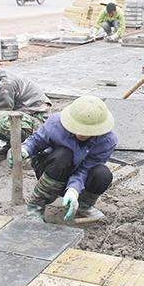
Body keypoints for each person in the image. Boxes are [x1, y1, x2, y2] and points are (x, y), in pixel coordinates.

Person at [11, 95, 118, 223]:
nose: (80, 133)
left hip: (79, 178)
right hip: (53, 168)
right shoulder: (56, 123)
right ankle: (36, 205)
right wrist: (23, 150)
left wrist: (73, 190)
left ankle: (84, 205)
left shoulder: (107, 140)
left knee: (102, 174)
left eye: (86, 131)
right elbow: (36, 141)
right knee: (64, 155)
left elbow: (86, 169)